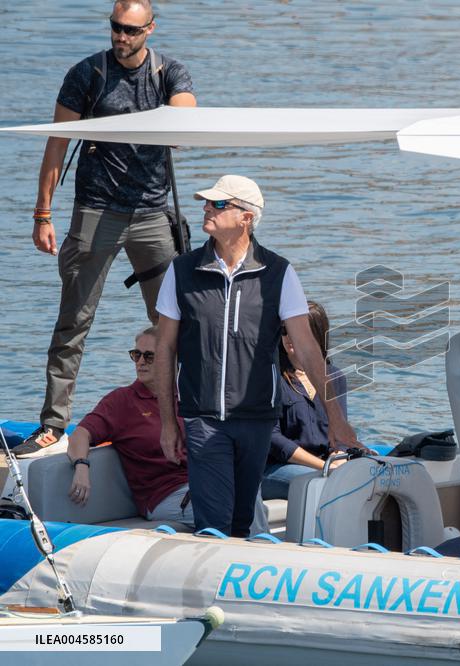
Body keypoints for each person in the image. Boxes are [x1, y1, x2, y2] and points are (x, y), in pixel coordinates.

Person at [18, 0, 196, 455]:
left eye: (131, 30)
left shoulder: (168, 74)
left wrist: (179, 117)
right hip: (96, 213)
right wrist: (42, 214)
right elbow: (57, 144)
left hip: (152, 215)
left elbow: (186, 118)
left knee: (173, 322)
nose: (121, 37)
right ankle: (53, 425)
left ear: (150, 29)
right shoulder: (87, 74)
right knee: (73, 321)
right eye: (116, 27)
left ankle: (184, 416)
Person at [154, 174, 362, 537]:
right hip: (203, 419)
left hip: (258, 420)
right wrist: (169, 423)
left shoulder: (279, 273)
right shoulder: (182, 271)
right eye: (207, 202)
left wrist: (336, 418)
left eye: (219, 204)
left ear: (246, 217)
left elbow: (308, 350)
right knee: (215, 524)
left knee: (241, 523)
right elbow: (165, 349)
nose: (207, 208)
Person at [66, 326, 194, 528]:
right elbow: (80, 434)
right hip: (163, 496)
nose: (140, 362)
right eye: (136, 355)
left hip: (200, 484)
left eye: (149, 356)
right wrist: (81, 466)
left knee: (240, 497)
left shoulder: (187, 394)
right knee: (223, 507)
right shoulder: (122, 401)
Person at [262, 300, 349, 500]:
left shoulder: (335, 378)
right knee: (320, 484)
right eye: (285, 330)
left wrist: (339, 455)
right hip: (277, 468)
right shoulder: (270, 377)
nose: (289, 337)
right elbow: (273, 440)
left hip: (325, 464)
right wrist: (324, 467)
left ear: (318, 333)